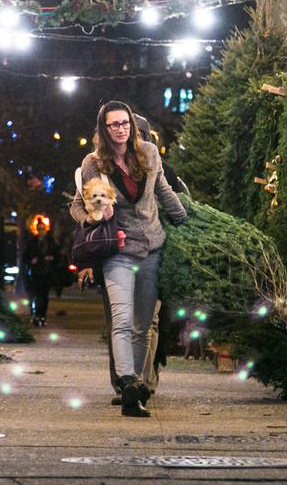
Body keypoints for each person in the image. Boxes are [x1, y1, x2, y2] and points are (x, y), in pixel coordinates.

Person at [70, 100, 187, 418]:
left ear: (132, 127)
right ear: (103, 129)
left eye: (124, 124)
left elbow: (163, 191)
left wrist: (188, 221)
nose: (120, 129)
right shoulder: (94, 163)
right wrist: (92, 219)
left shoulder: (149, 153)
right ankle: (127, 383)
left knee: (143, 326)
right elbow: (78, 206)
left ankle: (135, 393)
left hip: (152, 247)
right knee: (121, 321)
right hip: (118, 251)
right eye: (113, 125)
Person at [25, 217, 58, 327]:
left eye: (43, 229)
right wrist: (31, 261)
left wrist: (52, 258)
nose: (41, 231)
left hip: (47, 272)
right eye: (39, 229)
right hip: (35, 273)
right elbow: (25, 256)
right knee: (35, 295)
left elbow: (58, 254)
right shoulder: (32, 242)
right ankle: (35, 315)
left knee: (44, 296)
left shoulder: (51, 241)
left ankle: (42, 316)